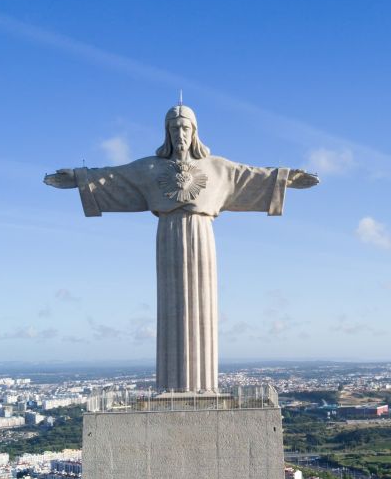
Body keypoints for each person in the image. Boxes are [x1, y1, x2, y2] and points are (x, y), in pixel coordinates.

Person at [44, 105, 318, 391]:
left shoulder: (217, 167)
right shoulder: (150, 168)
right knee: (172, 308)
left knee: (203, 304)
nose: (180, 133)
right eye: (174, 128)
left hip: (202, 236)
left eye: (185, 127)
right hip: (169, 237)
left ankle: (203, 390)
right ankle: (173, 391)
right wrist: (78, 178)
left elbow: (251, 176)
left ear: (195, 131)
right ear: (167, 132)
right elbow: (112, 177)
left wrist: (286, 179)